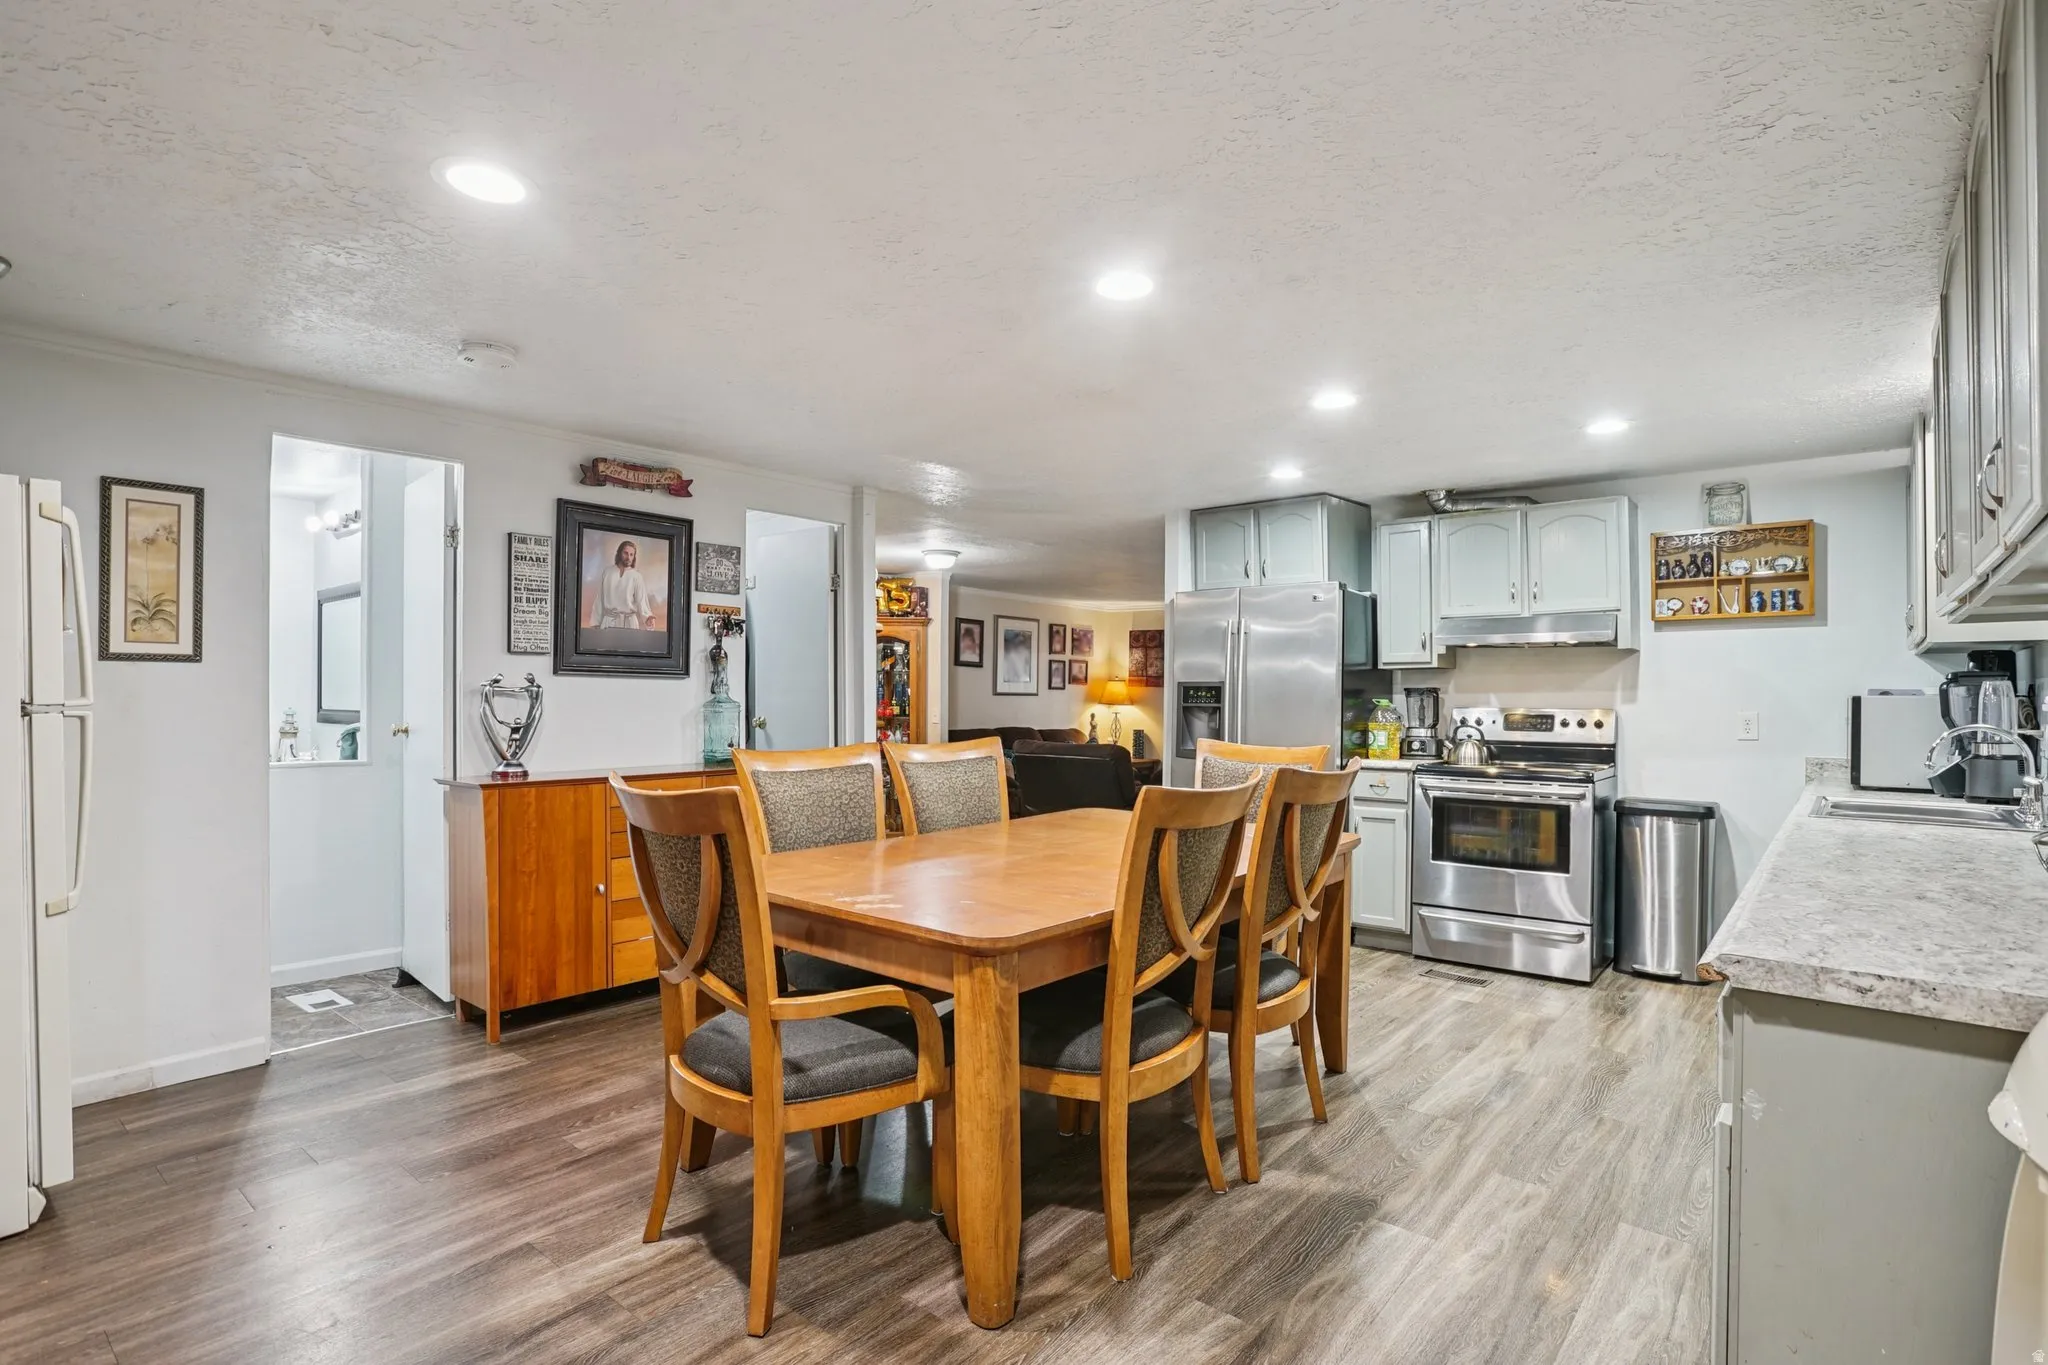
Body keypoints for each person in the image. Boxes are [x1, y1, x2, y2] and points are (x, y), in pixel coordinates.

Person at [597, 540, 655, 629]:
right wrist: (596, 622)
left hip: (629, 623)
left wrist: (647, 617)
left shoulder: (637, 576)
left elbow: (642, 601)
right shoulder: (607, 572)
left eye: (631, 555)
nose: (628, 557)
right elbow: (600, 599)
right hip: (609, 622)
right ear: (619, 553)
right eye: (626, 553)